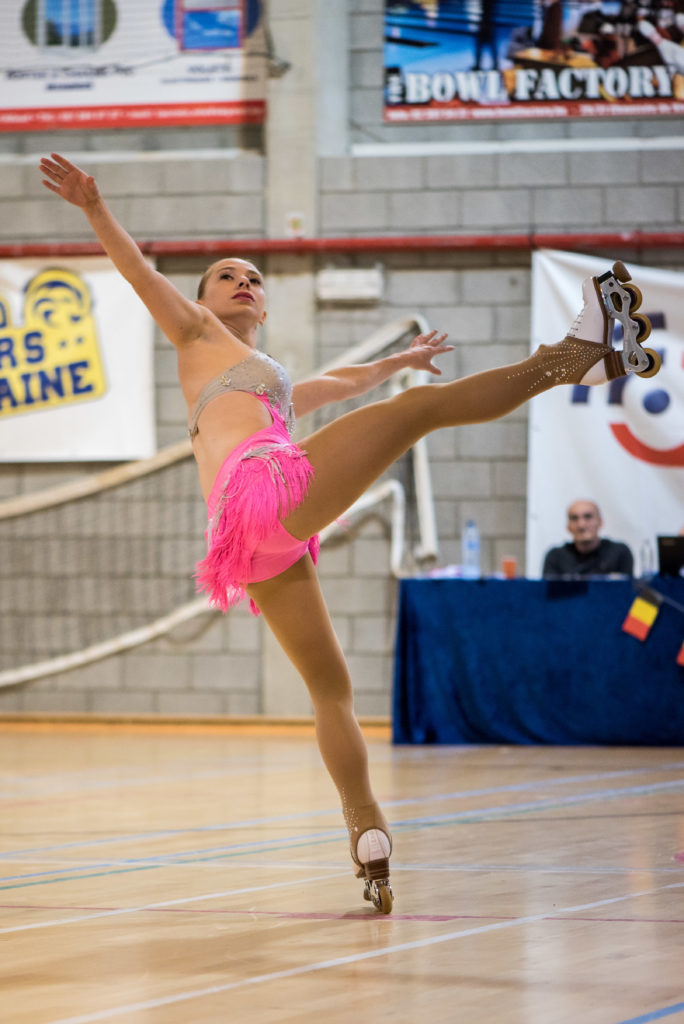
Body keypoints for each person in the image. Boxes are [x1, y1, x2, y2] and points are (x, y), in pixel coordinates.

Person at [39, 152, 649, 913]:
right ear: (201, 299)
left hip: (262, 544)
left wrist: (403, 359)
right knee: (414, 417)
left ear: (264, 309)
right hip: (262, 496)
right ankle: (574, 359)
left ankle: (366, 832)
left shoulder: (267, 375)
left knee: (332, 690)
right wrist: (95, 208)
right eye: (227, 275)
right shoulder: (195, 334)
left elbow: (340, 385)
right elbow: (138, 276)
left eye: (254, 278)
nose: (244, 283)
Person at [542, 499, 634, 577]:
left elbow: (627, 593)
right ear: (568, 526)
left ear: (600, 522)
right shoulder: (556, 557)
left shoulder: (618, 553)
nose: (581, 525)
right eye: (574, 518)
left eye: (588, 517)